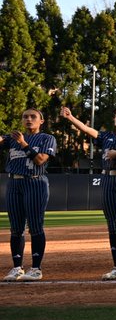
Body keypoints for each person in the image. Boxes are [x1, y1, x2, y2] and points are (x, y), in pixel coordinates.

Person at [61, 105, 116, 279]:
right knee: (113, 225)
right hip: (108, 180)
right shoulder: (107, 137)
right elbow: (87, 129)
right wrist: (70, 117)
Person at [2, 109, 56, 281]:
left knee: (35, 226)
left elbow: (40, 160)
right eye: (25, 116)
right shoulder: (11, 139)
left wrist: (24, 144)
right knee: (16, 228)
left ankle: (35, 269)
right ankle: (17, 268)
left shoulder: (47, 138)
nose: (28, 119)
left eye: (33, 117)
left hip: (35, 182)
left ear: (42, 121)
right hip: (14, 183)